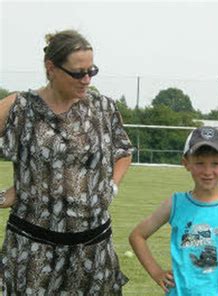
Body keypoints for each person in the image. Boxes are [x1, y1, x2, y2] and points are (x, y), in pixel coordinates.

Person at [0, 29, 133, 294]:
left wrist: (112, 186)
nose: (86, 79)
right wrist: (5, 195)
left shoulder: (102, 108)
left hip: (92, 250)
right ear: (51, 68)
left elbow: (123, 150)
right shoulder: (21, 108)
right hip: (32, 249)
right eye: (77, 73)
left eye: (91, 71)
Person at [129, 126, 218, 295]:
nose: (207, 172)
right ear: (186, 163)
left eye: (215, 164)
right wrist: (156, 273)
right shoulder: (175, 203)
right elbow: (137, 236)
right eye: (199, 163)